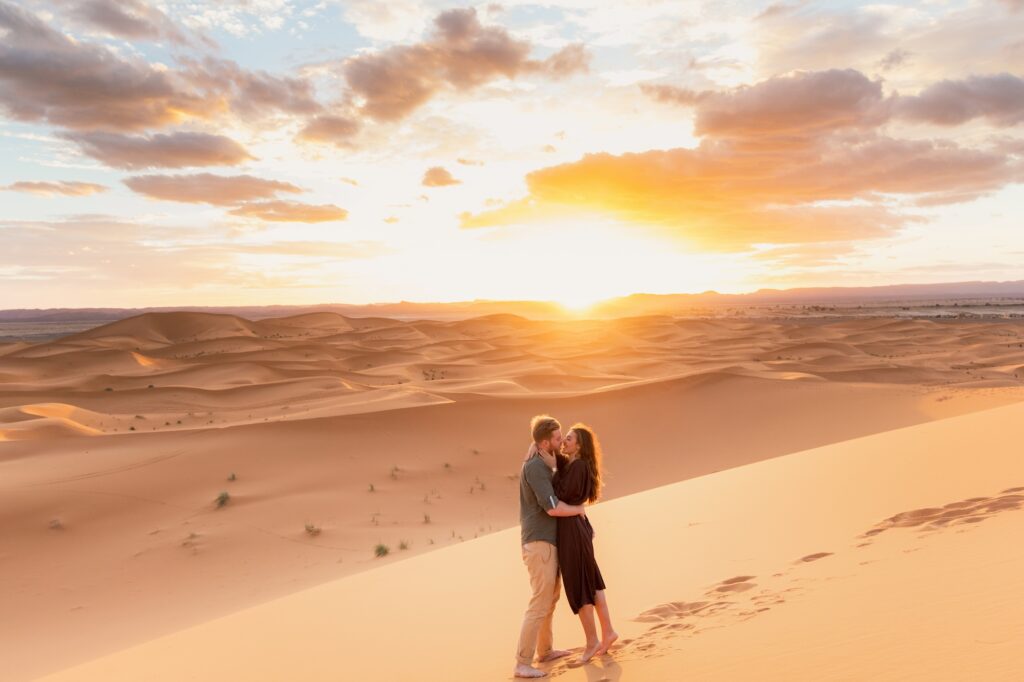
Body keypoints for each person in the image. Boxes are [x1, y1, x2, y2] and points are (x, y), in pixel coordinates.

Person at [514, 415, 589, 679]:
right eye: (557, 438)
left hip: (548, 542)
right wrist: (578, 510)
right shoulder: (535, 467)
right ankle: (522, 663)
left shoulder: (544, 460)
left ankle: (544, 651)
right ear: (545, 443)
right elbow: (552, 507)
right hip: (538, 543)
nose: (561, 441)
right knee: (539, 602)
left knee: (550, 599)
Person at [551, 424, 618, 662]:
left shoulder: (578, 466)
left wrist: (551, 473)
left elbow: (560, 497)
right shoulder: (575, 465)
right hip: (575, 528)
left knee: (579, 585)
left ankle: (592, 641)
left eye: (568, 439)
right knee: (590, 580)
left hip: (572, 532)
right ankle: (607, 631)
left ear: (579, 445)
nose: (564, 442)